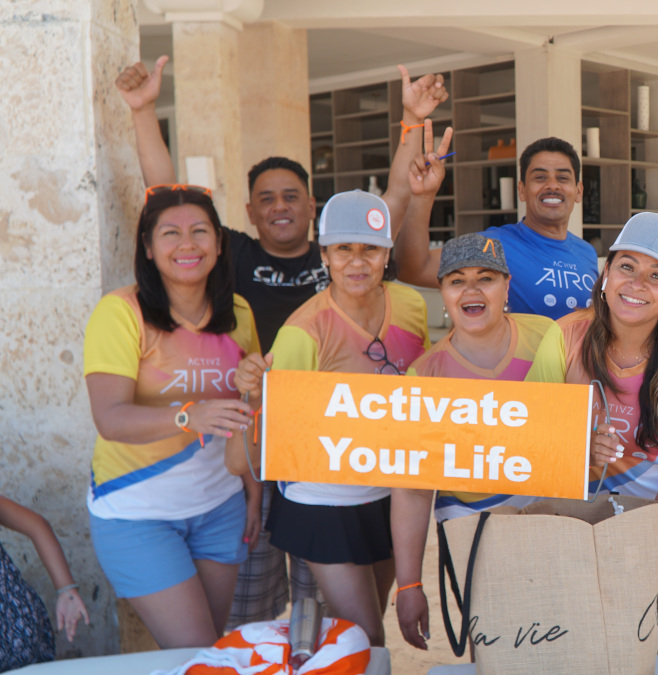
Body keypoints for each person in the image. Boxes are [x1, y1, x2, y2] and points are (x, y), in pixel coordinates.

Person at [117, 56, 449, 626]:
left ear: (312, 209)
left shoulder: (362, 257)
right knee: (257, 607)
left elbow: (392, 201)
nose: (279, 206)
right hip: (269, 432)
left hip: (347, 456)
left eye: (291, 195)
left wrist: (413, 121)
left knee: (335, 620)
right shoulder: (238, 257)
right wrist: (145, 112)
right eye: (266, 198)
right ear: (249, 212)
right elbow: (168, 200)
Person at [229, 189, 430, 648]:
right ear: (324, 255)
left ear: (387, 254)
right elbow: (252, 453)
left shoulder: (411, 305)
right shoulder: (303, 332)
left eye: (371, 249)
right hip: (325, 503)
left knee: (371, 626)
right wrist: (254, 397)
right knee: (366, 635)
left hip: (390, 494)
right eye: (343, 249)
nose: (357, 262)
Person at [526, 212, 658, 653]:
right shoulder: (564, 338)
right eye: (627, 266)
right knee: (601, 654)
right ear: (606, 274)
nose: (637, 284)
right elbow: (531, 434)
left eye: (657, 276)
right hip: (589, 525)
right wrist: (577, 448)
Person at [83, 184, 260, 648]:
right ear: (147, 246)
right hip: (136, 512)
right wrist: (188, 416)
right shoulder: (120, 313)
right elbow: (110, 419)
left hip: (221, 506)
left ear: (219, 243)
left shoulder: (239, 312)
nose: (187, 244)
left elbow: (250, 408)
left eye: (200, 231)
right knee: (197, 652)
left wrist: (254, 489)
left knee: (210, 650)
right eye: (170, 233)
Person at [391, 228, 555, 650]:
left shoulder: (548, 337)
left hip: (551, 519)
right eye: (457, 280)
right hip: (471, 529)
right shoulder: (425, 374)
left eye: (486, 277)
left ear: (507, 286)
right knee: (496, 651)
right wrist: (408, 584)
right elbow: (412, 489)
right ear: (442, 292)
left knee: (558, 643)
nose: (471, 290)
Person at [395, 136, 597, 319]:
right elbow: (413, 270)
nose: (552, 185)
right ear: (522, 190)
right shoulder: (493, 245)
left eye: (563, 178)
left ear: (578, 191)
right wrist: (423, 197)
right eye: (540, 177)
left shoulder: (586, 252)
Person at [0, 496, 90, 671]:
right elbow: (37, 525)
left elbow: (37, 526)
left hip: (18, 631)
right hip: (21, 630)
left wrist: (67, 590)